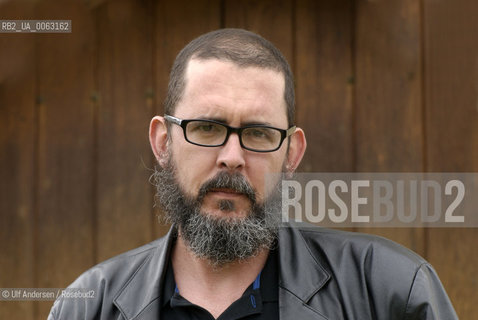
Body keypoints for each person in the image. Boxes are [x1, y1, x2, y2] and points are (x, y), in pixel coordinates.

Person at [48, 28, 457, 319]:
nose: (232, 156)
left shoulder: (392, 292)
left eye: (258, 133)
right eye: (207, 127)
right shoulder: (88, 305)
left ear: (292, 153)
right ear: (162, 143)